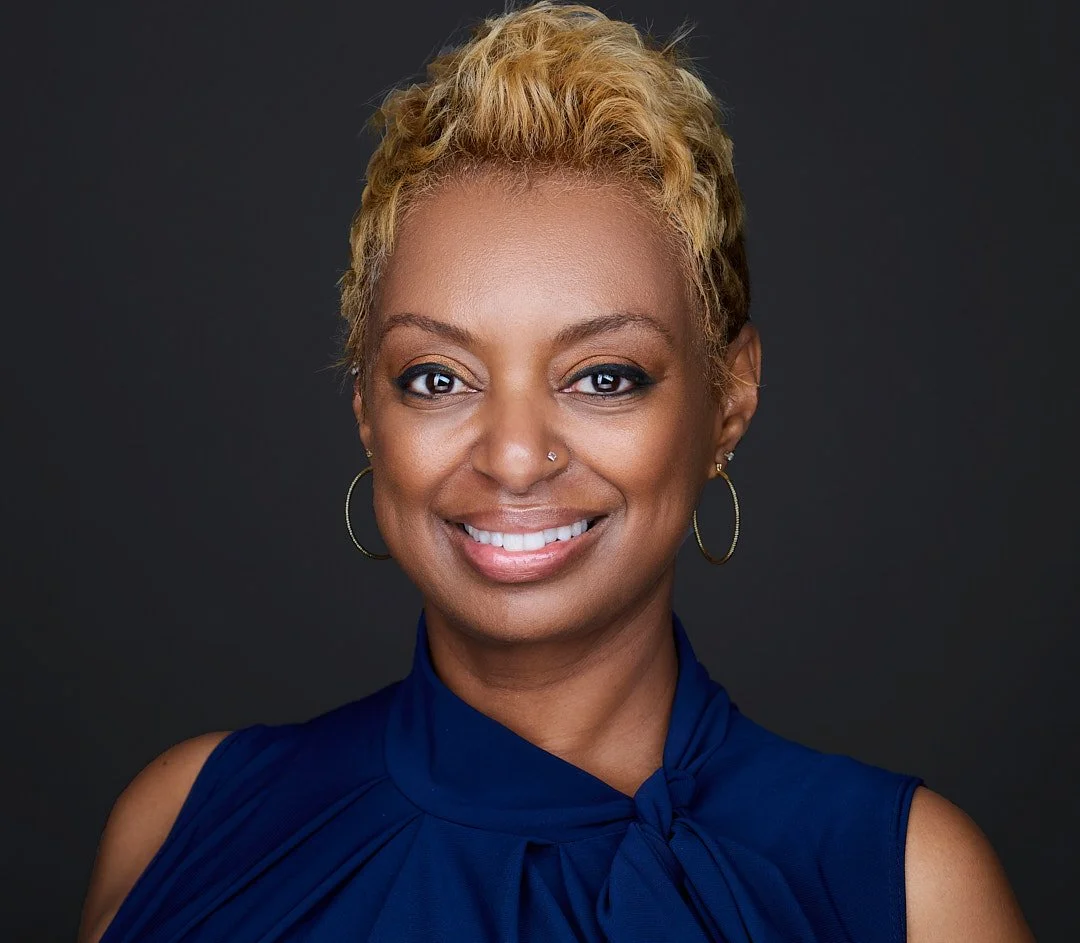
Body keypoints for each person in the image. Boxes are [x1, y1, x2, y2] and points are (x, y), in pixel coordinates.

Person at [78, 3, 1033, 940]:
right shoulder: (183, 822)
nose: (515, 455)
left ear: (727, 403)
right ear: (368, 409)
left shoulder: (907, 887)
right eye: (438, 376)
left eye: (603, 377)